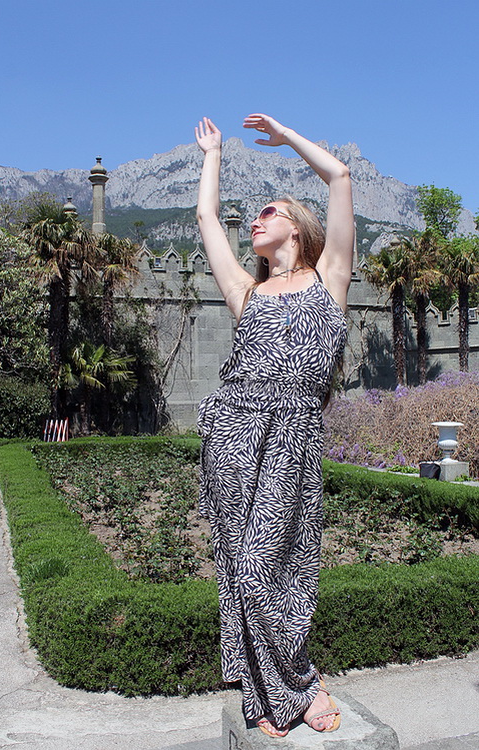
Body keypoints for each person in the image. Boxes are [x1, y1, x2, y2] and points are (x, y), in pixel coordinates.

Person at [195, 113, 354, 738]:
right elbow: (208, 219)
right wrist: (213, 155)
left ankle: (301, 679)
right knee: (239, 563)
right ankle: (262, 691)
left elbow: (340, 176)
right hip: (233, 428)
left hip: (292, 431)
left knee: (274, 562)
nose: (257, 221)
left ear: (298, 227)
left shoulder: (330, 276)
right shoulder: (247, 291)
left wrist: (286, 137)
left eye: (269, 212)